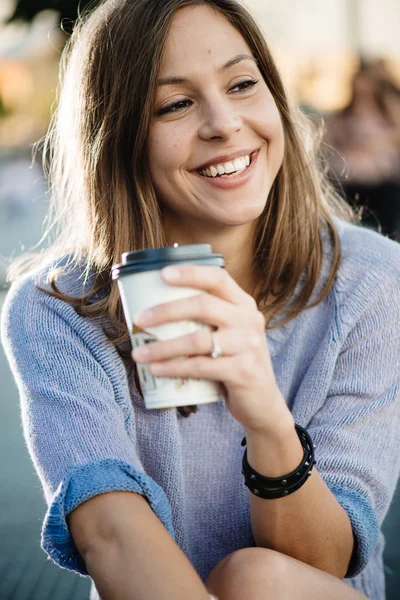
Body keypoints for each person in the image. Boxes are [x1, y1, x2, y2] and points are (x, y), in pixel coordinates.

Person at [1, 1, 400, 599]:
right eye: (175, 104)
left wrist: (265, 416)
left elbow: (330, 560)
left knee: (255, 579)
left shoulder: (372, 281)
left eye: (243, 84)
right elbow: (108, 532)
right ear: (118, 137)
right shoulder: (55, 307)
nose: (224, 122)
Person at [325, 59, 400, 241]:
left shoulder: (388, 110)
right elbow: (331, 143)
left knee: (386, 228)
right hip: (351, 180)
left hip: (382, 182)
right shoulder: (345, 115)